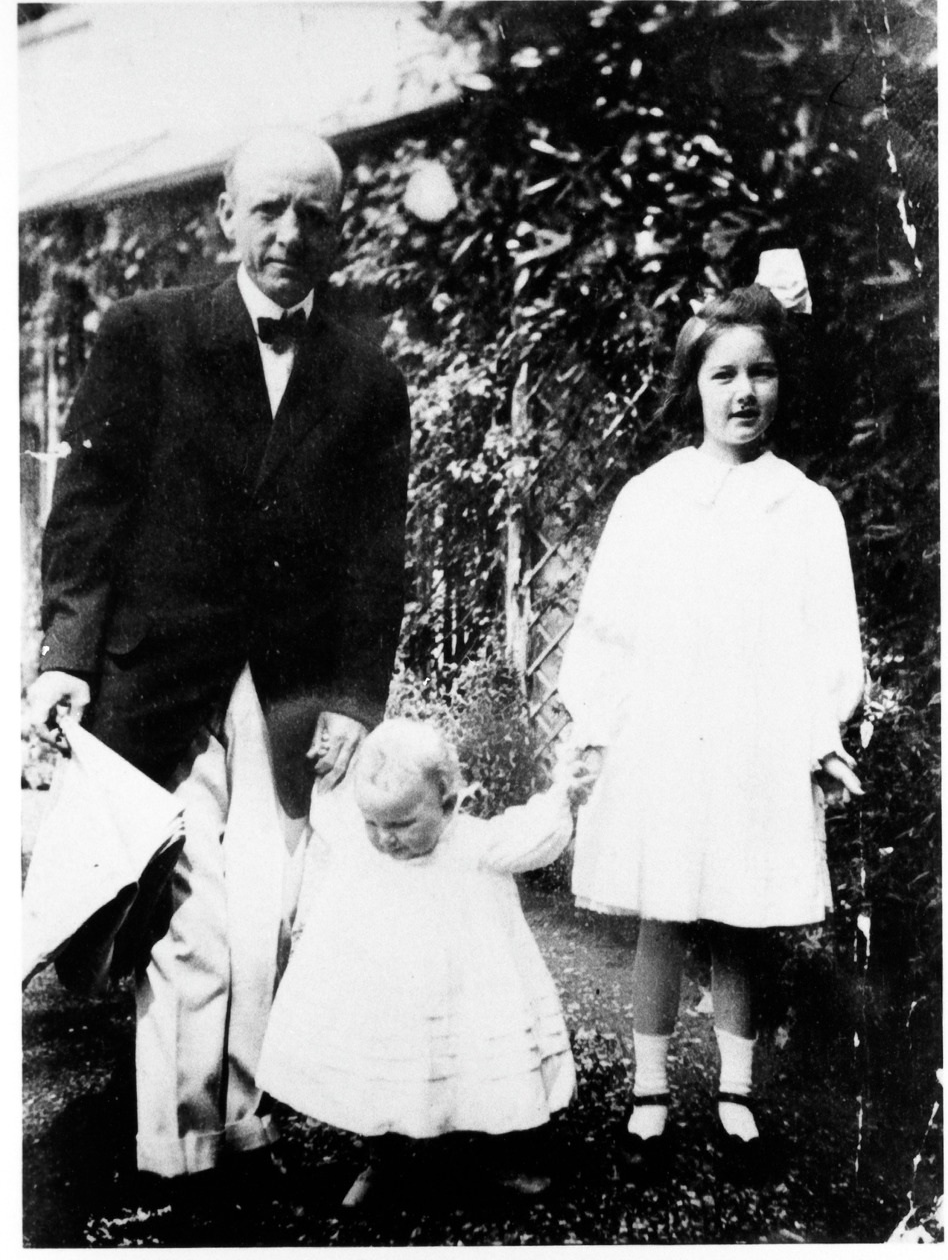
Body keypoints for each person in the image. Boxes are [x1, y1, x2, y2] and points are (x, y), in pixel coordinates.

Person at [24, 127, 411, 1182]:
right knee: (182, 913)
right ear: (228, 216)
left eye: (315, 215)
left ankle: (243, 1127)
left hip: (290, 688)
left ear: (342, 227)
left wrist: (356, 699)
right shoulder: (148, 333)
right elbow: (88, 507)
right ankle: (178, 1149)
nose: (291, 233)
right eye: (270, 209)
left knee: (269, 910)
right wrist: (66, 653)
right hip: (157, 671)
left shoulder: (369, 379)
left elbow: (381, 558)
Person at [558, 277, 864, 1175]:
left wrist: (821, 734)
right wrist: (594, 726)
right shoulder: (652, 498)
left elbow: (825, 639)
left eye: (761, 373)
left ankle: (736, 1092)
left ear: (781, 384)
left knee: (740, 918)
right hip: (663, 732)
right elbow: (607, 625)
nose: (743, 393)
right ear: (692, 381)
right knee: (662, 908)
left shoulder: (804, 507)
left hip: (755, 740)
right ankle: (648, 1091)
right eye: (722, 373)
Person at [256, 719, 596, 1200]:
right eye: (374, 822)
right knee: (381, 1067)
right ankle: (383, 1159)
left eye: (401, 824)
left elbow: (529, 837)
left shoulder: (473, 843)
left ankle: (495, 1153)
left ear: (449, 805)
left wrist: (563, 795)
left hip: (464, 991)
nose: (385, 838)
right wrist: (323, 750)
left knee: (479, 1068)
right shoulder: (360, 839)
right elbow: (325, 804)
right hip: (385, 993)